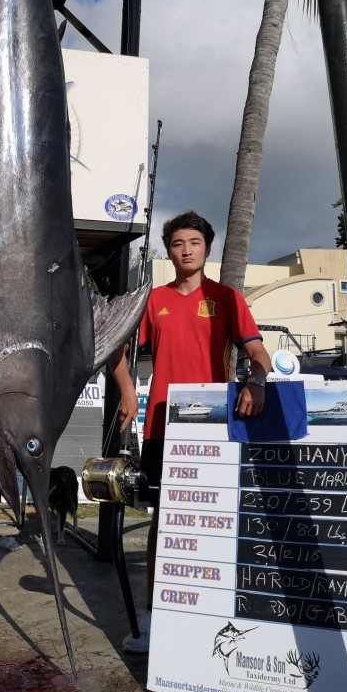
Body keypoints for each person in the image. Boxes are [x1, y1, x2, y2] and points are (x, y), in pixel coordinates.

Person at [109, 210, 272, 653]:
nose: (186, 250)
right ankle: (152, 616)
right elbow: (115, 352)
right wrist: (127, 392)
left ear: (207, 248)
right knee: (165, 520)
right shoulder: (152, 301)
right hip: (165, 423)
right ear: (170, 250)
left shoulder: (228, 298)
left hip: (216, 427)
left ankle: (214, 613)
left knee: (219, 519)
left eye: (194, 243)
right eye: (178, 243)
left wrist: (256, 382)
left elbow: (258, 352)